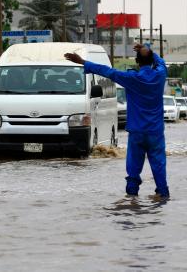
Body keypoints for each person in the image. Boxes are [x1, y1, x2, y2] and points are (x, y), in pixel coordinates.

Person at [65, 44, 170, 199]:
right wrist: (149, 50)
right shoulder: (160, 75)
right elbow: (161, 63)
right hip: (155, 131)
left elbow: (107, 71)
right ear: (152, 60)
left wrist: (83, 62)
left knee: (133, 169)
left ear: (137, 61)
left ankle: (131, 200)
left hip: (137, 132)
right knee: (159, 165)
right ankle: (162, 195)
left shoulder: (131, 78)